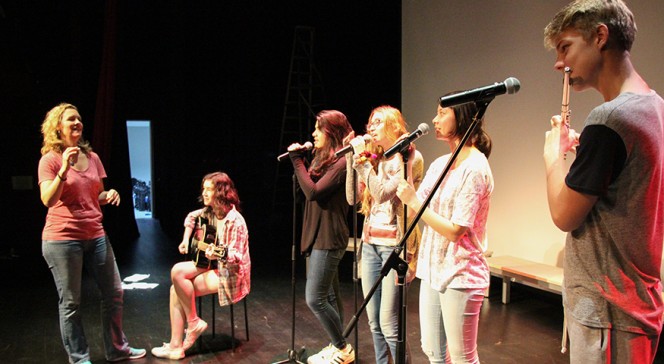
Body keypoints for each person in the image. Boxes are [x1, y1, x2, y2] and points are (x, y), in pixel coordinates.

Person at [542, 1, 664, 362]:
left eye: (566, 47)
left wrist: (552, 155)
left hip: (607, 310)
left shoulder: (609, 119)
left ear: (600, 36)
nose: (559, 63)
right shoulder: (653, 106)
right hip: (635, 304)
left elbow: (564, 214)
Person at [38, 103, 146, 364]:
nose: (77, 123)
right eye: (71, 119)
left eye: (79, 119)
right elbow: (48, 200)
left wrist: (107, 196)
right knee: (71, 303)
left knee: (114, 293)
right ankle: (80, 358)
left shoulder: (93, 157)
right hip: (62, 239)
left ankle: (116, 349)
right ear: (57, 127)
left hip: (95, 234)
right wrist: (63, 169)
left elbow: (92, 196)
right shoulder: (50, 160)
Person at [397, 100, 494, 363]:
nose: (435, 120)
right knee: (433, 351)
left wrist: (414, 202)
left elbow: (455, 231)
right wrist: (406, 161)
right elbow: (415, 199)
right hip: (433, 269)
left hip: (461, 274)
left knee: (462, 357)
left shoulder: (474, 167)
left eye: (442, 113)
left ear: (461, 117)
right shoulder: (440, 163)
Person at [344, 105, 424, 363]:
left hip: (395, 248)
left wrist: (364, 164)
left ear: (394, 125)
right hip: (370, 246)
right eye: (370, 122)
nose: (371, 127)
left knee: (389, 323)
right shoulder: (374, 158)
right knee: (373, 320)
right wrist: (351, 161)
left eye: (377, 122)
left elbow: (383, 193)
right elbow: (351, 197)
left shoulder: (408, 157)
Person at [151, 171, 251, 359]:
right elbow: (190, 217)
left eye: (209, 189)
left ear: (220, 192)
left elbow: (237, 256)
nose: (204, 193)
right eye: (203, 189)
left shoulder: (235, 220)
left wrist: (220, 253)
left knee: (176, 290)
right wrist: (185, 240)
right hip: (213, 265)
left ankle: (178, 344)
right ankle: (191, 326)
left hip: (231, 274)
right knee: (177, 273)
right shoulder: (210, 211)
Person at [286, 110, 355, 364]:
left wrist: (296, 161)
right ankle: (337, 347)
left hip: (329, 237)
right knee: (330, 296)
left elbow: (314, 192)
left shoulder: (343, 162)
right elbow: (304, 191)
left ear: (332, 132)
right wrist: (301, 165)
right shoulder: (323, 160)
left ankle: (343, 348)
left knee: (315, 298)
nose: (313, 134)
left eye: (318, 129)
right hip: (317, 235)